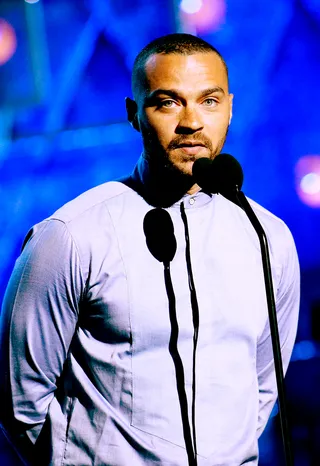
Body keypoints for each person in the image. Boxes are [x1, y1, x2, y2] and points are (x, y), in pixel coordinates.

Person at [0, 33, 300, 466]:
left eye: (209, 101)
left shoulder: (267, 236)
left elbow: (264, 389)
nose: (192, 121)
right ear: (134, 114)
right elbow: (18, 401)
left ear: (230, 108)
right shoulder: (70, 235)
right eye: (168, 102)